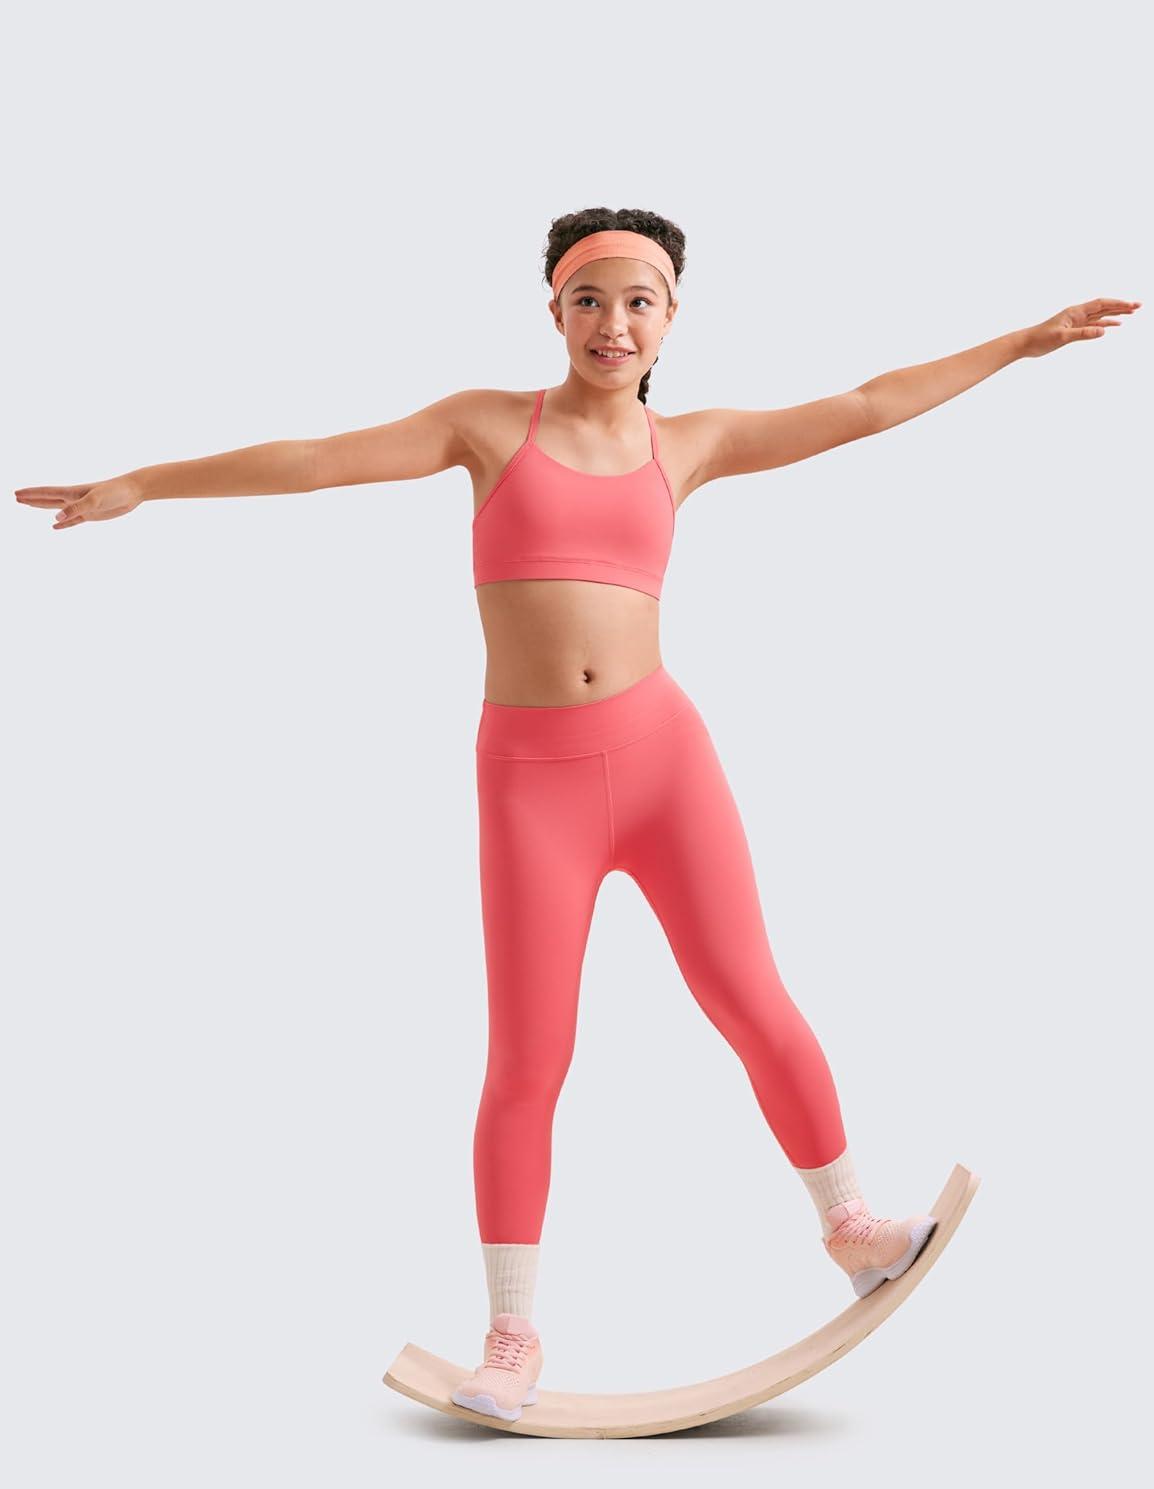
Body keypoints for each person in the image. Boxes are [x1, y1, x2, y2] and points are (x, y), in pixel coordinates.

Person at [16, 209, 1139, 1426]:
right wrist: (147, 484)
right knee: (528, 1058)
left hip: (663, 760)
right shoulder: (488, 426)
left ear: (671, 318)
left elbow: (865, 405)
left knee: (748, 997)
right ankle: (510, 1335)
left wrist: (1018, 343)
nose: (612, 324)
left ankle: (850, 1226)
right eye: (588, 300)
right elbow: (316, 458)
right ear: (553, 311)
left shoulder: (690, 443)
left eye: (637, 301)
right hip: (530, 782)